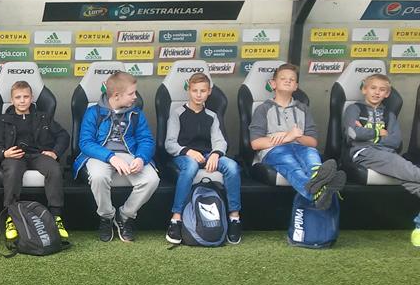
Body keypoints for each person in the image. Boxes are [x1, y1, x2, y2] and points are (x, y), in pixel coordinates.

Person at [73, 71, 159, 242]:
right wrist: (111, 157)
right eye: (131, 93)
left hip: (130, 155)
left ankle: (125, 216)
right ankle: (106, 217)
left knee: (151, 179)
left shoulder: (136, 114)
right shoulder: (93, 112)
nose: (135, 97)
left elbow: (146, 140)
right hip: (99, 155)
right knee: (98, 176)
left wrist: (141, 158)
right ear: (117, 95)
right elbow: (85, 143)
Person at [249, 63, 344, 210]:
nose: (288, 81)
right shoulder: (263, 109)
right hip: (275, 150)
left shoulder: (303, 109)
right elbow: (255, 143)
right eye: (283, 78)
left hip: (302, 147)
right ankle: (319, 193)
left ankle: (319, 189)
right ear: (273, 84)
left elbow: (312, 142)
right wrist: (286, 137)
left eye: (292, 79)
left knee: (314, 163)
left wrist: (295, 137)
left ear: (296, 86)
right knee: (293, 167)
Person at [163, 72, 243, 245]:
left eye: (203, 91)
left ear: (209, 92)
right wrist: (188, 151)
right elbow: (169, 144)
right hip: (183, 156)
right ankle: (176, 219)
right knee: (191, 166)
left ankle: (234, 218)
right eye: (195, 91)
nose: (198, 95)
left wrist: (216, 153)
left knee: (232, 166)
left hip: (207, 155)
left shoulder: (212, 116)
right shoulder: (177, 113)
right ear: (189, 91)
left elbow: (220, 141)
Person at [343, 73, 420, 246]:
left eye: (382, 90)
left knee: (414, 182)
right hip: (363, 152)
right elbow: (353, 134)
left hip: (387, 154)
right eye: (373, 88)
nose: (377, 92)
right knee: (405, 166)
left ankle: (419, 228)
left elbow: (395, 141)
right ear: (364, 89)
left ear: (387, 93)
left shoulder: (389, 114)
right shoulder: (354, 109)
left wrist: (368, 134)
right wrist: (379, 133)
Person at [0, 80, 70, 241]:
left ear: (31, 98)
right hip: (15, 156)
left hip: (38, 155)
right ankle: (11, 216)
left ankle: (56, 217)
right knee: (13, 170)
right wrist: (5, 153)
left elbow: (63, 136)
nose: (22, 101)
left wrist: (55, 153)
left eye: (26, 97)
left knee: (54, 168)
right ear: (12, 100)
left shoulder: (43, 117)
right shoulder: (3, 120)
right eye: (18, 97)